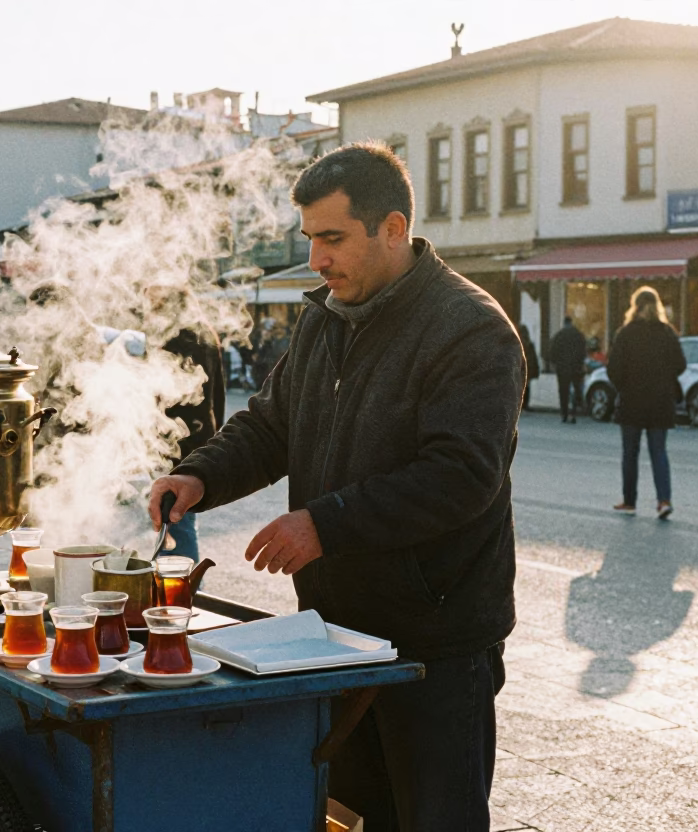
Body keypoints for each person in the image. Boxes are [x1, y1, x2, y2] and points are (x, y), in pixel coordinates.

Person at [148, 143, 524, 831]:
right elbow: (271, 426)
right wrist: (199, 474)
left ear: (393, 229)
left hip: (434, 644)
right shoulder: (324, 317)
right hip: (337, 634)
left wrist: (326, 523)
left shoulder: (470, 328)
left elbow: (460, 476)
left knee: (436, 820)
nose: (317, 260)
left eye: (332, 238)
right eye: (310, 239)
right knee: (348, 819)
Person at [151, 287, 225, 561]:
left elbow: (164, 395)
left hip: (178, 440)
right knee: (180, 516)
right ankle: (182, 583)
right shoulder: (206, 332)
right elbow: (218, 393)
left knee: (176, 516)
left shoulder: (179, 338)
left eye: (155, 301)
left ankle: (184, 586)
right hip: (200, 435)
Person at [606, 287, 687, 519]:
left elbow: (613, 369)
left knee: (630, 454)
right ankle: (663, 501)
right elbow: (680, 365)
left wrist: (625, 385)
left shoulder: (626, 333)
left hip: (632, 401)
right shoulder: (667, 333)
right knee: (659, 452)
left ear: (636, 306)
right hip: (661, 403)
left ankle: (629, 501)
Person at [549, 316, 587, 423]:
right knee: (575, 389)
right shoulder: (578, 335)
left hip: (562, 368)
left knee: (563, 391)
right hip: (576, 367)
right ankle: (574, 412)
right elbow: (583, 351)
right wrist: (580, 363)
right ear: (572, 322)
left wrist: (555, 363)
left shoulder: (559, 335)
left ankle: (564, 414)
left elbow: (552, 351)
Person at [517, 322, 540, 409]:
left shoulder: (517, 343)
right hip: (528, 368)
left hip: (519, 368)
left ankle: (520, 404)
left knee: (519, 386)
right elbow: (533, 358)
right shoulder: (529, 344)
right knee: (527, 386)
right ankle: (525, 404)